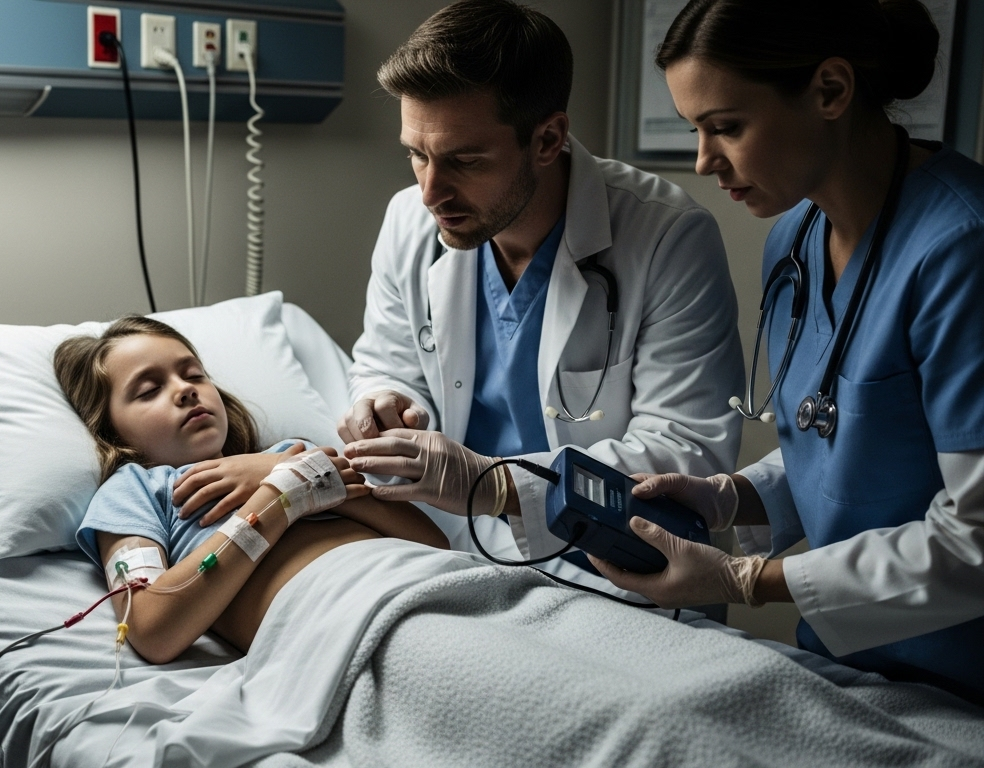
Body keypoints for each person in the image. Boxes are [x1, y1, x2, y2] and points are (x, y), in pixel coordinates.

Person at [591, 0, 984, 704]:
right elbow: (840, 429)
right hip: (854, 665)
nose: (704, 160)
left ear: (831, 90)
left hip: (962, 679)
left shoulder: (963, 248)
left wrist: (746, 582)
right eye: (695, 131)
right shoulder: (796, 238)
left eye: (727, 127)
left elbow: (977, 540)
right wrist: (730, 497)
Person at [338, 0, 744, 577]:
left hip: (617, 565)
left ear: (548, 139)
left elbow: (686, 451)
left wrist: (494, 485)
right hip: (454, 552)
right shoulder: (410, 220)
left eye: (465, 160)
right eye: (416, 155)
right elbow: (386, 362)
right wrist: (385, 402)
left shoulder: (667, 237)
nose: (431, 192)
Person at [54, 316, 447, 664]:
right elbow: (152, 630)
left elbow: (434, 544)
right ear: (111, 429)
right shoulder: (135, 490)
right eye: (149, 390)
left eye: (194, 375)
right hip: (340, 622)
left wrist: (281, 469)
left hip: (428, 581)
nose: (186, 390)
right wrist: (282, 495)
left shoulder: (289, 454)